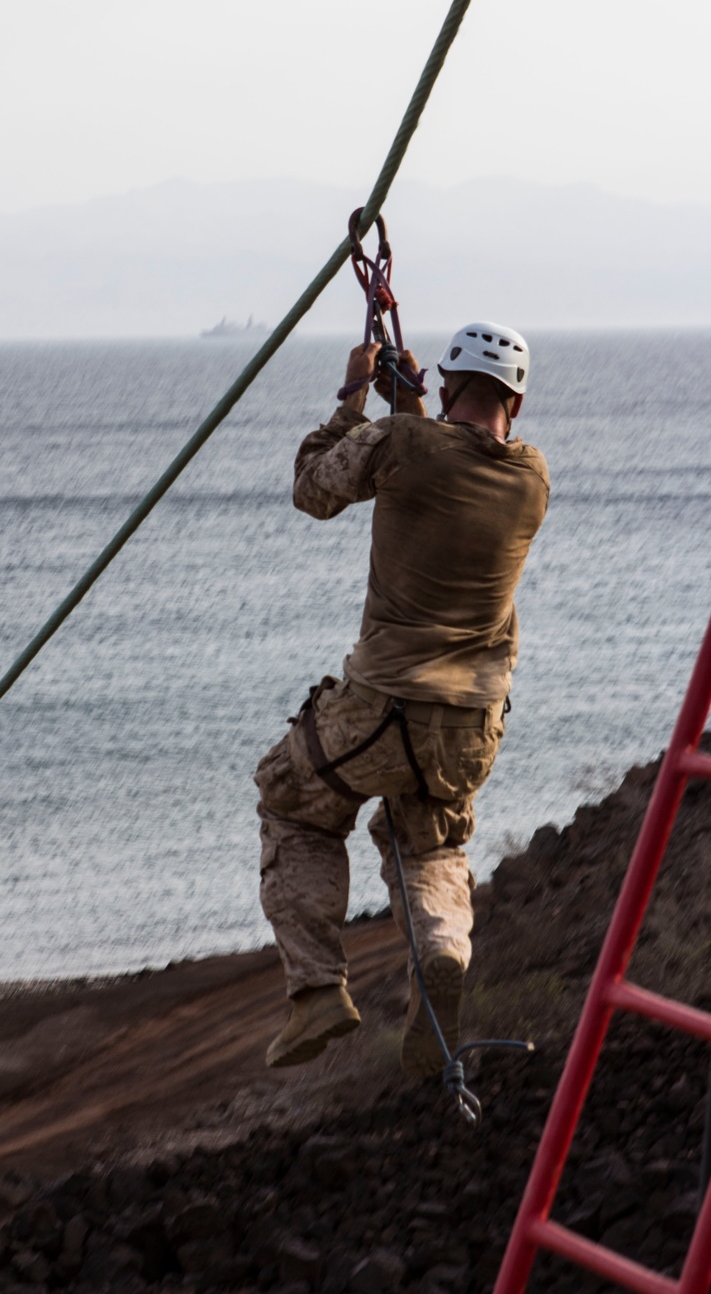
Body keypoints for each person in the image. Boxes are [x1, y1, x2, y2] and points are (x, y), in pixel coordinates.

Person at [255, 322, 549, 1076]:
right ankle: (444, 950)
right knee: (431, 844)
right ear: (517, 398)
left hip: (379, 708)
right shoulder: (531, 481)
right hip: (467, 730)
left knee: (292, 802)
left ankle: (317, 989)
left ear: (448, 385)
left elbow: (313, 489)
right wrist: (413, 405)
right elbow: (444, 464)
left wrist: (355, 396)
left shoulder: (398, 441)